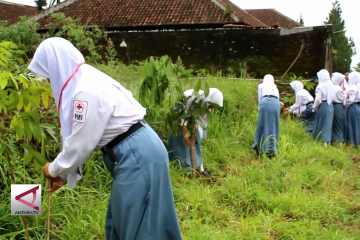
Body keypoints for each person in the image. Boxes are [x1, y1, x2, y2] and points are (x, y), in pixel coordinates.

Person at [28, 37, 182, 240]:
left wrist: (55, 169)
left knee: (141, 226)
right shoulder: (85, 79)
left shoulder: (84, 90)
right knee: (122, 221)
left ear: (55, 68)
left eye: (47, 75)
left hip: (137, 154)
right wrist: (63, 174)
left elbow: (81, 142)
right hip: (137, 151)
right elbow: (84, 136)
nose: (48, 81)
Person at [168, 88, 223, 178]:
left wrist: (196, 124)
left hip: (193, 119)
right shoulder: (190, 97)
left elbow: (201, 117)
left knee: (196, 144)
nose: (211, 108)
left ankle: (200, 169)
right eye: (211, 106)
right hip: (180, 117)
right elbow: (182, 118)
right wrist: (186, 135)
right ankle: (185, 171)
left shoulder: (206, 103)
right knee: (181, 146)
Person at [252, 74, 280, 158]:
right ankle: (272, 149)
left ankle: (259, 147)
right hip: (276, 104)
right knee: (273, 125)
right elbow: (278, 98)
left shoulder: (261, 85)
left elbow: (260, 99)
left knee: (262, 125)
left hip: (265, 102)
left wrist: (259, 109)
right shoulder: (275, 87)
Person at [311, 69, 336, 146]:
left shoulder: (320, 86)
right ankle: (328, 142)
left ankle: (322, 141)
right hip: (330, 105)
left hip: (323, 105)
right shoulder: (332, 85)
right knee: (328, 123)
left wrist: (314, 106)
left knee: (321, 123)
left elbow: (318, 99)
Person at [331, 72, 347, 145]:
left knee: (335, 124)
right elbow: (343, 97)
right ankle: (340, 141)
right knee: (339, 124)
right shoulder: (337, 88)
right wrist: (345, 92)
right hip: (338, 106)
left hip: (334, 106)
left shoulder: (332, 87)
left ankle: (335, 141)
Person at [345, 72, 360, 148]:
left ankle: (353, 143)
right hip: (358, 107)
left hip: (353, 107)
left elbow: (351, 100)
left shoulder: (353, 87)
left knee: (352, 125)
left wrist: (344, 105)